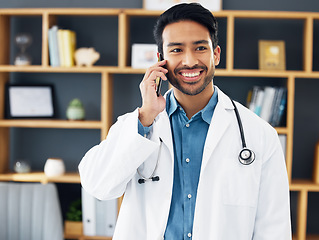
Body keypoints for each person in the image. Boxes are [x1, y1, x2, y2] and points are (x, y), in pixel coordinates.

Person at [78, 3, 292, 240]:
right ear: (160, 59)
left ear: (216, 54)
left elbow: (274, 228)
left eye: (200, 48)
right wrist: (146, 116)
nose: (189, 61)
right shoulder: (140, 124)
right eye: (177, 50)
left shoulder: (259, 135)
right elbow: (97, 185)